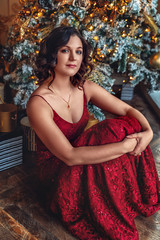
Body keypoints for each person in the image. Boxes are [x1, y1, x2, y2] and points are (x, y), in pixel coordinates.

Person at [27, 26, 160, 240]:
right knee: (109, 131)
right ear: (52, 54)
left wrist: (147, 132)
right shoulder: (38, 103)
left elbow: (127, 110)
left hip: (79, 154)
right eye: (65, 50)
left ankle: (124, 199)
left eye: (78, 51)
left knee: (122, 126)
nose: (73, 57)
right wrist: (125, 147)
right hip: (58, 172)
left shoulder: (84, 87)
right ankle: (113, 204)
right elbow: (70, 156)